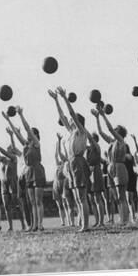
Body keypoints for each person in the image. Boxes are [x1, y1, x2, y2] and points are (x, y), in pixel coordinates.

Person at [50, 87, 94, 232]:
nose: (69, 121)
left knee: (81, 197)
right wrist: (56, 100)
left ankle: (85, 225)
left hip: (79, 163)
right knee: (76, 198)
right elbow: (63, 117)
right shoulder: (71, 132)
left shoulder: (81, 131)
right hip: (70, 165)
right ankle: (82, 222)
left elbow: (70, 114)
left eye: (72, 120)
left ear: (77, 121)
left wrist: (64, 98)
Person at [3, 107, 46, 231]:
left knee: (38, 201)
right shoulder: (26, 145)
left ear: (35, 135)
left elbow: (27, 128)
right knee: (32, 201)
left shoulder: (37, 143)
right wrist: (9, 120)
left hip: (37, 171)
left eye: (31, 133)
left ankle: (40, 224)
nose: (28, 134)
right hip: (28, 173)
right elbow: (17, 134)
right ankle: (34, 224)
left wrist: (21, 115)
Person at [92, 106, 135, 224]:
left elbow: (109, 129)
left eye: (116, 130)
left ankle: (125, 220)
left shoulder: (121, 140)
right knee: (116, 198)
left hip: (120, 167)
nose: (113, 131)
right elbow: (101, 132)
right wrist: (97, 118)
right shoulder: (112, 142)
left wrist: (103, 115)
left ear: (119, 132)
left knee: (122, 196)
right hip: (111, 168)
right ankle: (122, 218)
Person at [0, 135, 24, 230]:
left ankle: (23, 225)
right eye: (8, 148)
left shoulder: (14, 158)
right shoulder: (3, 160)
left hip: (13, 183)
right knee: (6, 206)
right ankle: (10, 226)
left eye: (10, 149)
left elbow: (3, 152)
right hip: (4, 184)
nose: (8, 150)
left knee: (17, 206)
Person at [86, 132, 106, 227]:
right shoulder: (88, 150)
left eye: (92, 139)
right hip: (89, 173)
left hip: (96, 172)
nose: (90, 141)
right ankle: (97, 220)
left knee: (98, 197)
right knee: (91, 199)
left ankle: (101, 221)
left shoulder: (97, 148)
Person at [52, 133, 69, 226]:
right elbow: (56, 155)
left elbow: (63, 154)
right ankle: (62, 221)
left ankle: (69, 220)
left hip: (63, 183)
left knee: (65, 203)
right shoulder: (58, 164)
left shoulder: (66, 162)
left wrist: (63, 145)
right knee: (59, 205)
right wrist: (57, 144)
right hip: (56, 184)